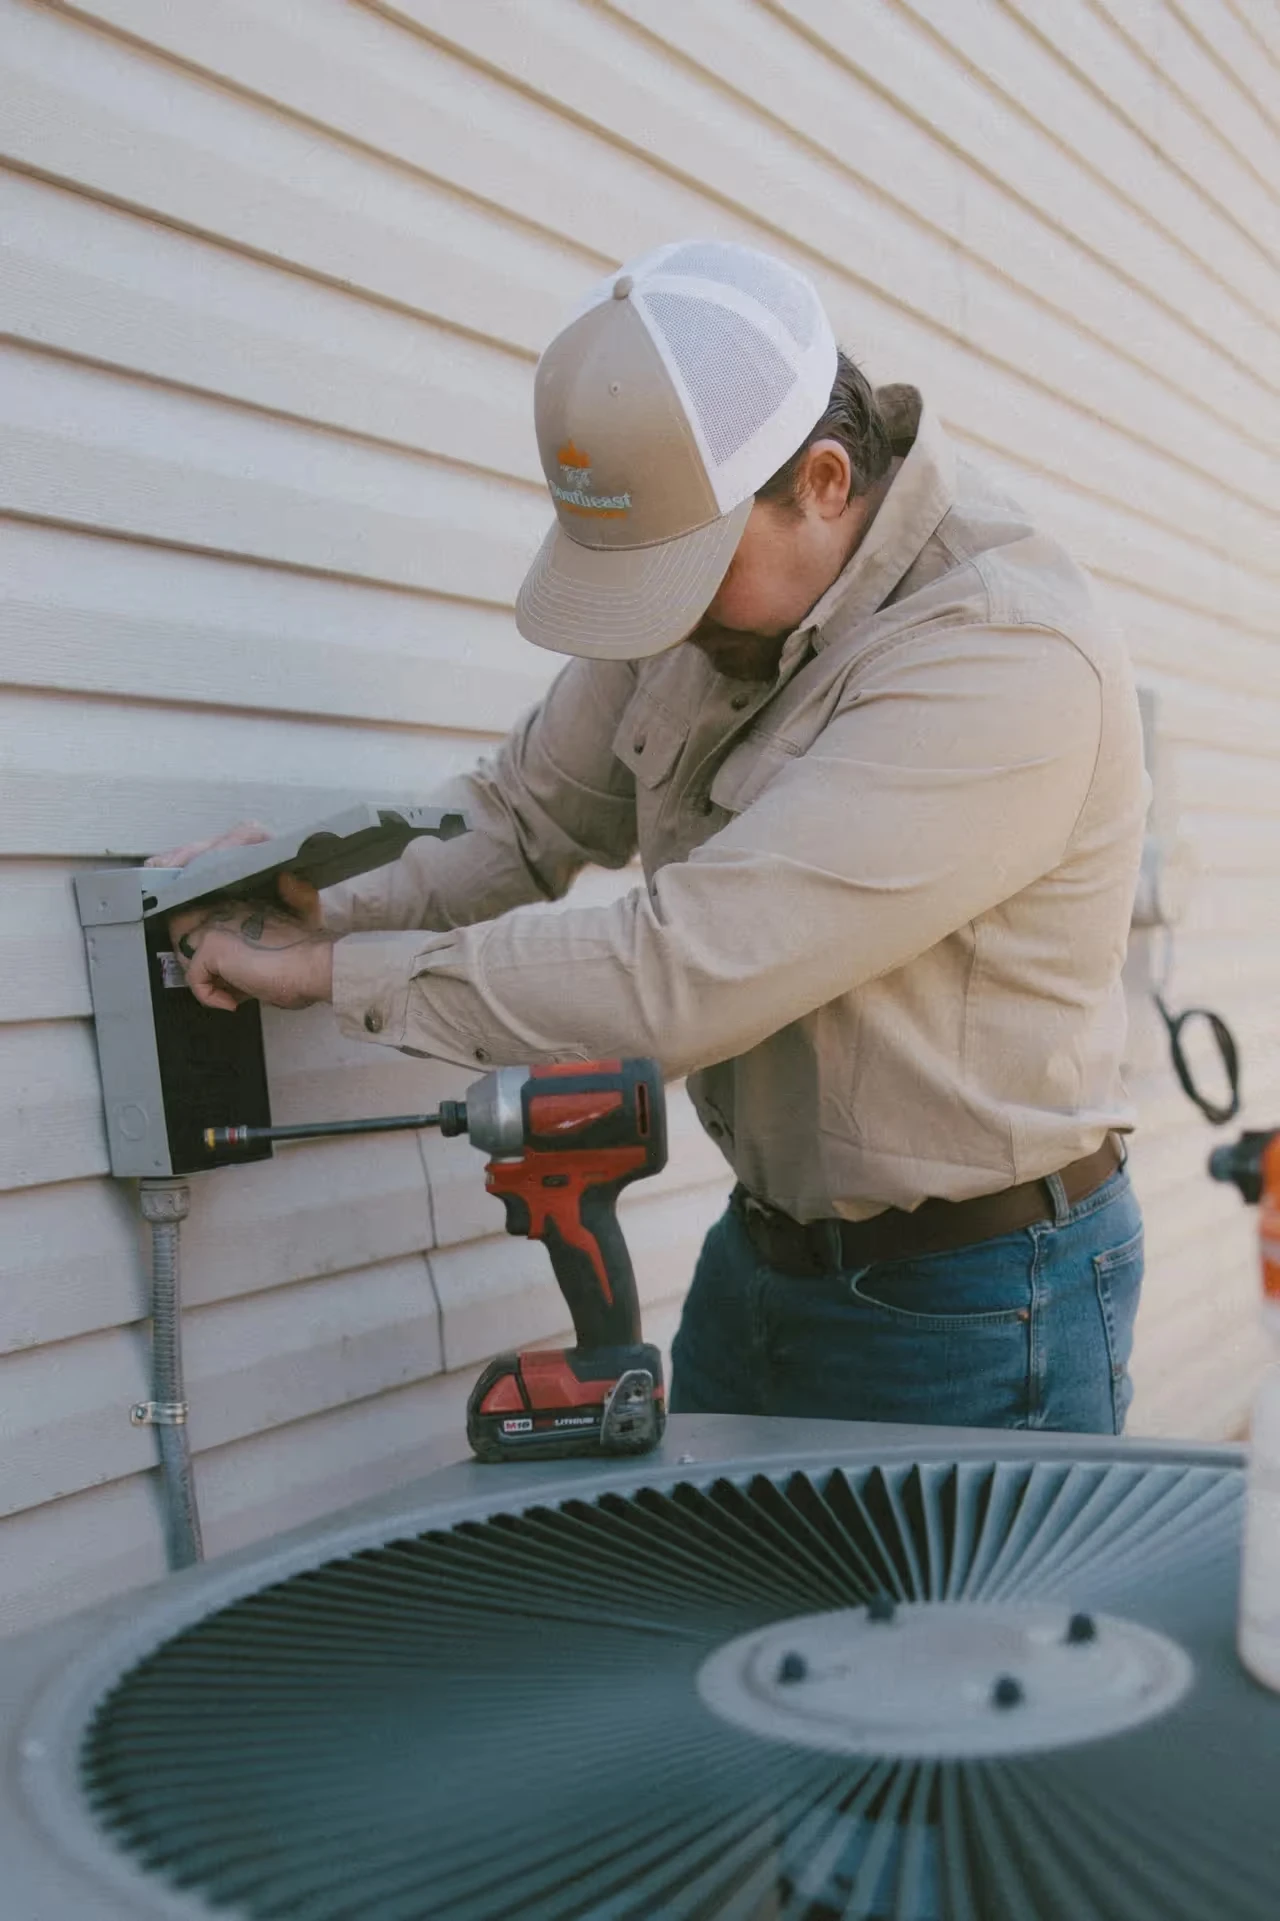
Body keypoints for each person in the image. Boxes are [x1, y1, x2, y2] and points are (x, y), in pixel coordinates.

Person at [156, 239, 1149, 1434]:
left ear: (823, 482)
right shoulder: (700, 608)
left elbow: (679, 973)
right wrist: (311, 900)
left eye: (687, 572)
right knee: (720, 1614)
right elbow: (522, 813)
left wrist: (335, 975)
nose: (658, 623)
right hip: (762, 1262)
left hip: (980, 1298)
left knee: (943, 1629)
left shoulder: (999, 657)